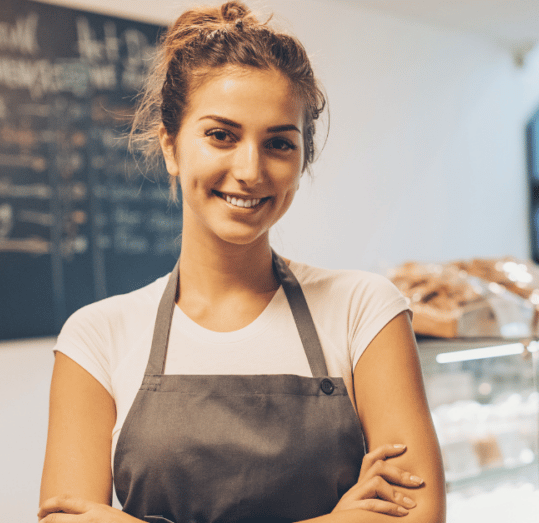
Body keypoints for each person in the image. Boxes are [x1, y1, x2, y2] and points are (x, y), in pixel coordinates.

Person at [37, 3, 445, 522]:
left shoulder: (363, 310)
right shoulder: (96, 337)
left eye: (278, 143)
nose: (250, 170)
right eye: (221, 135)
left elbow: (418, 514)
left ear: (302, 160)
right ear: (171, 146)